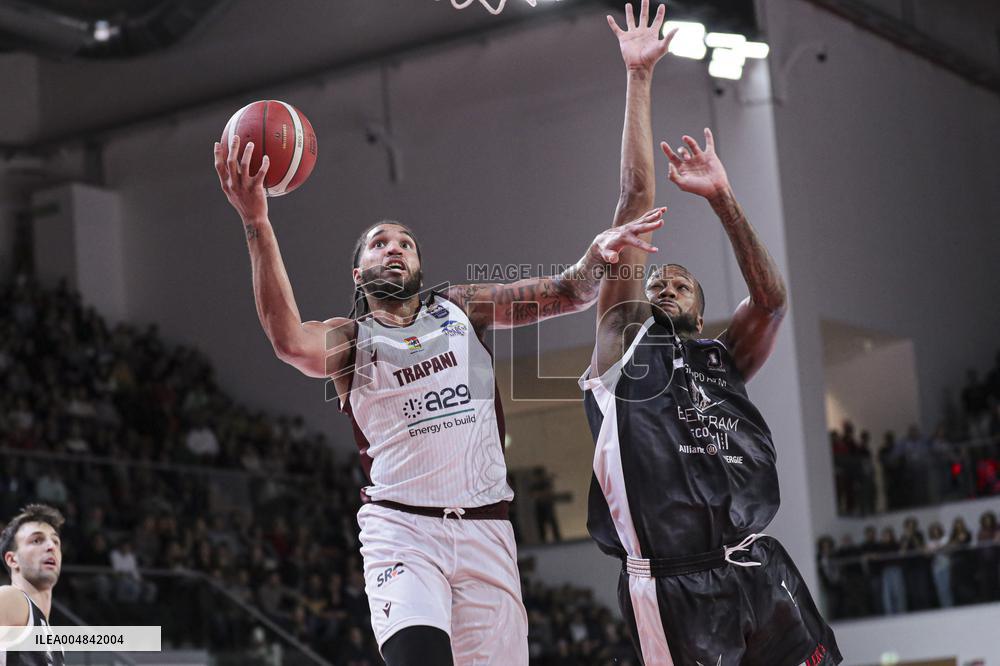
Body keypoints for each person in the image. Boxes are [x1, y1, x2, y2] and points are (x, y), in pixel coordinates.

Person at [214, 81, 663, 666]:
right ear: (358, 274)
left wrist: (595, 256)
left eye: (405, 243)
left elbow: (564, 294)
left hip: (486, 532)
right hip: (403, 534)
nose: (395, 248)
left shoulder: (462, 308)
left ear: (421, 265)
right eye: (380, 243)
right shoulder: (352, 342)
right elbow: (287, 339)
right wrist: (257, 223)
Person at [576, 2, 841, 663]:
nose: (663, 285)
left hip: (758, 565)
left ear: (700, 312)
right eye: (656, 280)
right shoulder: (621, 349)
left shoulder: (722, 357)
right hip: (674, 582)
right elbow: (636, 204)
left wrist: (723, 197)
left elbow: (772, 301)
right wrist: (640, 77)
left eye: (681, 284)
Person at [0, 503, 66, 665]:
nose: (51, 546)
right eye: (37, 540)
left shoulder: (56, 644)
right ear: (12, 559)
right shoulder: (12, 599)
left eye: (55, 541)